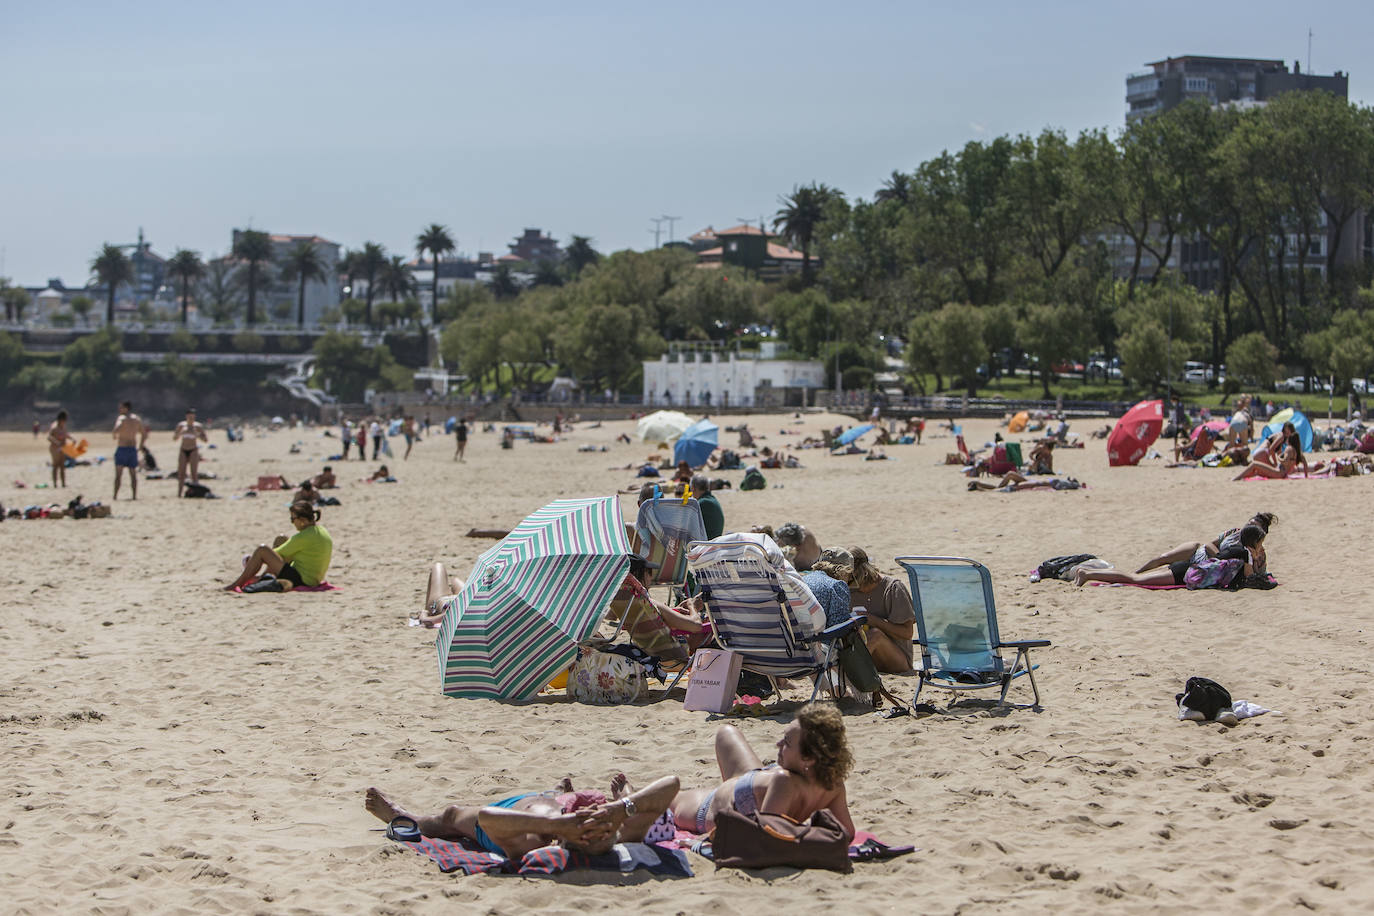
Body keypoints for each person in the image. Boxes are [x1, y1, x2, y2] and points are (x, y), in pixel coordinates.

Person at [364, 775, 681, 859]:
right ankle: (553, 793)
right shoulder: (622, 830)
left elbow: (488, 817)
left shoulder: (531, 841)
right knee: (553, 798)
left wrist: (555, 824)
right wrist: (617, 810)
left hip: (517, 813)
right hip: (545, 806)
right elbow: (672, 783)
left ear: (571, 837)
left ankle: (401, 815)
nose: (590, 814)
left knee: (451, 817)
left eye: (588, 821)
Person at [669, 705, 854, 838]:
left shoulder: (784, 781)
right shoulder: (832, 784)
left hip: (711, 806)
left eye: (787, 743)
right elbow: (846, 834)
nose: (778, 744)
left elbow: (766, 837)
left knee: (670, 797)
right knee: (726, 731)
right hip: (753, 779)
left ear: (808, 758)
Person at [1075, 524, 1266, 588]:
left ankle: (1089, 573)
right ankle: (1088, 574)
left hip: (1188, 568)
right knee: (1136, 580)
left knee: (1137, 578)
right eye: (1261, 544)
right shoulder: (1246, 554)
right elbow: (1249, 580)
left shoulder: (1238, 551)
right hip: (1185, 573)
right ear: (1253, 543)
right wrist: (1257, 560)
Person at [225, 501, 333, 592]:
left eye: (293, 519)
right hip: (313, 578)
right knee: (281, 539)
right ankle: (261, 578)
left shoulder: (304, 537)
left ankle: (237, 584)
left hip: (301, 580)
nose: (292, 523)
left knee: (262, 550)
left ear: (302, 520)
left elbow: (276, 553)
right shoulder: (321, 531)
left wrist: (252, 561)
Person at [1134, 512, 1275, 576]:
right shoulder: (1234, 532)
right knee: (1163, 558)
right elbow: (1208, 545)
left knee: (1167, 571)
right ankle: (1137, 573)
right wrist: (1220, 557)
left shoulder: (1257, 552)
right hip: (1198, 552)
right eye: (1248, 523)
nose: (1247, 527)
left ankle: (1136, 578)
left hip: (1207, 568)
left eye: (1253, 526)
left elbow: (1256, 574)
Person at [845, 547, 915, 674]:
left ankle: (850, 674)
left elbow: (907, 633)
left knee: (875, 635)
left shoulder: (893, 588)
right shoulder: (849, 590)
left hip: (897, 660)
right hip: (869, 658)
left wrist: (873, 620)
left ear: (860, 573)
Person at [112, 400, 149, 500]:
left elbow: (116, 429)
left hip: (122, 449)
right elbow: (144, 434)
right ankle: (134, 496)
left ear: (126, 408)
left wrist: (115, 435)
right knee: (133, 474)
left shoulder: (122, 418)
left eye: (121, 407)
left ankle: (115, 496)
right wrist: (140, 446)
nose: (119, 409)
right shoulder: (137, 419)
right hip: (132, 449)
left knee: (118, 475)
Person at [173, 408, 208, 498]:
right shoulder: (181, 425)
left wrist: (197, 434)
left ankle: (195, 491)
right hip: (183, 449)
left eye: (192, 417)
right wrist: (180, 433)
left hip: (193, 450)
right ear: (186, 416)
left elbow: (205, 440)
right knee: (181, 473)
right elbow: (174, 438)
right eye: (189, 417)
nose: (190, 419)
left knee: (194, 473)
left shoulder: (198, 426)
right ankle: (179, 493)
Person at [47, 410, 74, 488]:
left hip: (62, 448)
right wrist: (57, 442)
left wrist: (72, 438)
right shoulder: (54, 426)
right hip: (55, 449)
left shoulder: (63, 426)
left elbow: (66, 434)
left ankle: (63, 483)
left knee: (62, 465)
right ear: (61, 419)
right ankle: (55, 484)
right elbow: (49, 437)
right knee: (55, 465)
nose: (65, 421)